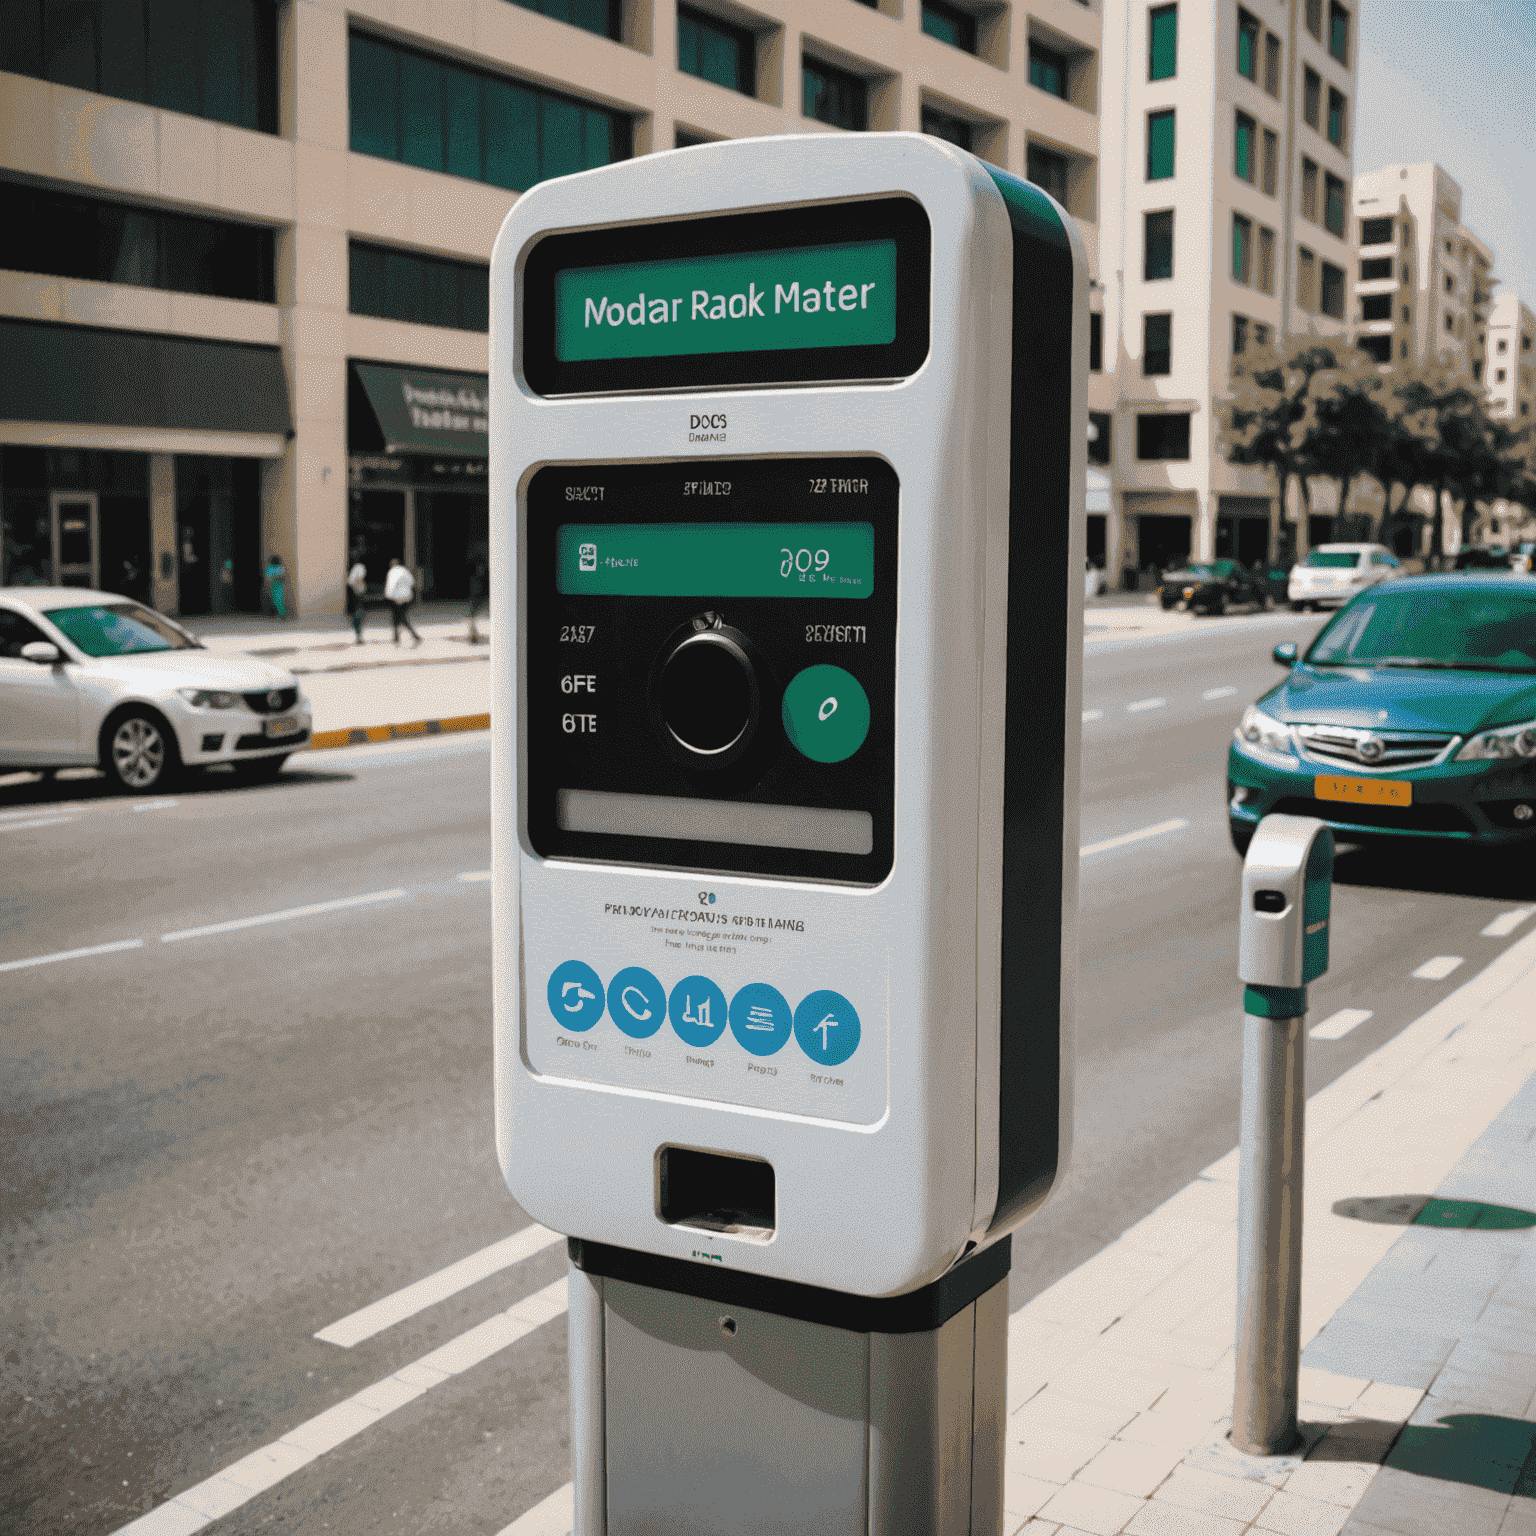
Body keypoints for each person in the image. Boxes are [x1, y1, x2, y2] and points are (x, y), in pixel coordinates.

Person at [384, 557, 421, 647]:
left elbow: (391, 585)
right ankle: (396, 637)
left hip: (396, 598)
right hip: (407, 597)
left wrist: (388, 596)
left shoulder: (392, 572)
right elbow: (412, 582)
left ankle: (414, 636)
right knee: (399, 617)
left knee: (400, 618)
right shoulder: (405, 571)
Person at [346, 548, 369, 645]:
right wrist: (360, 591)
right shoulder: (360, 567)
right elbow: (357, 580)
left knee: (357, 617)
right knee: (359, 616)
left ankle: (358, 636)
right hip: (358, 595)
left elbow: (351, 582)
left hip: (355, 594)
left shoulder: (355, 567)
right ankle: (359, 637)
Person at [466, 551, 488, 644]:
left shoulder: (479, 579)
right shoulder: (474, 579)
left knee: (474, 616)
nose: (480, 570)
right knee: (473, 616)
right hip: (475, 596)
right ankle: (473, 635)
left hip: (478, 596)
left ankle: (474, 635)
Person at [262, 553, 287, 619]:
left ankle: (282, 614)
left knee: (279, 600)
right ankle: (281, 613)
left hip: (277, 586)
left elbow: (281, 577)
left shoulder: (278, 568)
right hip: (275, 586)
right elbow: (272, 577)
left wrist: (275, 578)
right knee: (277, 600)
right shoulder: (275, 568)